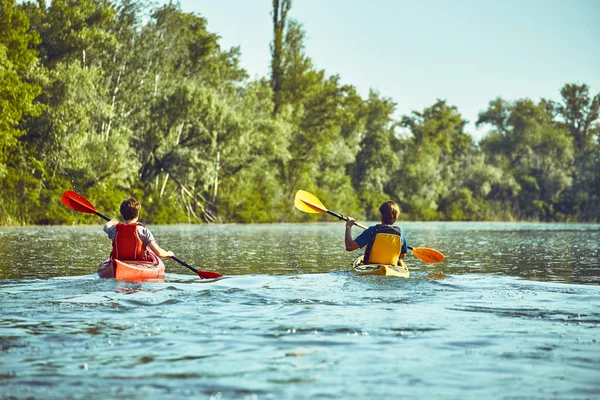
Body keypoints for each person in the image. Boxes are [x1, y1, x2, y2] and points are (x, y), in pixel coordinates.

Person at [103, 198, 174, 260]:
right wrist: (168, 253)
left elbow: (105, 227)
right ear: (138, 213)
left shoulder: (116, 230)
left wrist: (112, 222)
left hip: (119, 262)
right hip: (139, 263)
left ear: (122, 215)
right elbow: (158, 253)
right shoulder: (143, 230)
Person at [345, 200, 407, 265]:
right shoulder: (401, 234)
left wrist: (348, 227)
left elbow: (349, 247)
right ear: (395, 218)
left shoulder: (372, 230)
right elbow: (402, 255)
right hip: (391, 267)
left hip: (370, 266)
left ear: (381, 216)